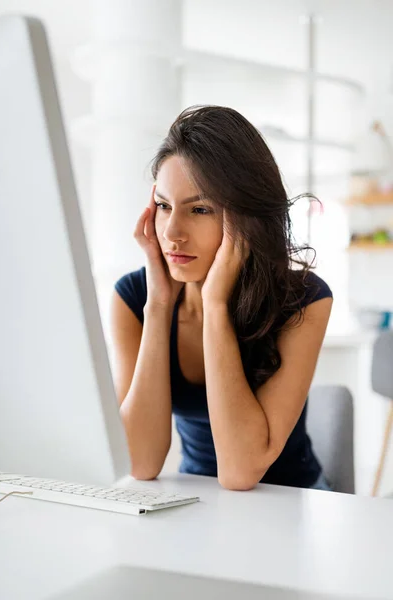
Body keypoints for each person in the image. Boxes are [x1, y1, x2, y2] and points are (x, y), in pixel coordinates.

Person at [111, 105, 333, 492]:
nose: (172, 233)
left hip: (292, 499)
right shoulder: (134, 298)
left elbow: (241, 472)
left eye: (199, 209)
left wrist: (215, 306)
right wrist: (160, 306)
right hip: (194, 499)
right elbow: (140, 463)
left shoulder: (305, 300)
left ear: (245, 220)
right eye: (163, 206)